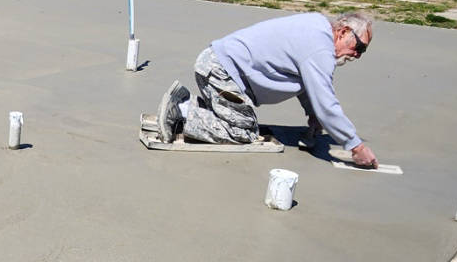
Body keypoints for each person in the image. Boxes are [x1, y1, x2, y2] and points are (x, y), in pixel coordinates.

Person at [155, 10, 379, 168]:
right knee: (243, 132)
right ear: (343, 32)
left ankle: (185, 101)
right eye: (359, 47)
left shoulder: (316, 25)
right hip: (222, 73)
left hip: (217, 65)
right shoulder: (321, 50)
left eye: (363, 51)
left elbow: (307, 85)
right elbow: (326, 103)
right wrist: (356, 147)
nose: (357, 55)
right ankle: (181, 112)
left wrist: (313, 115)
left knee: (238, 117)